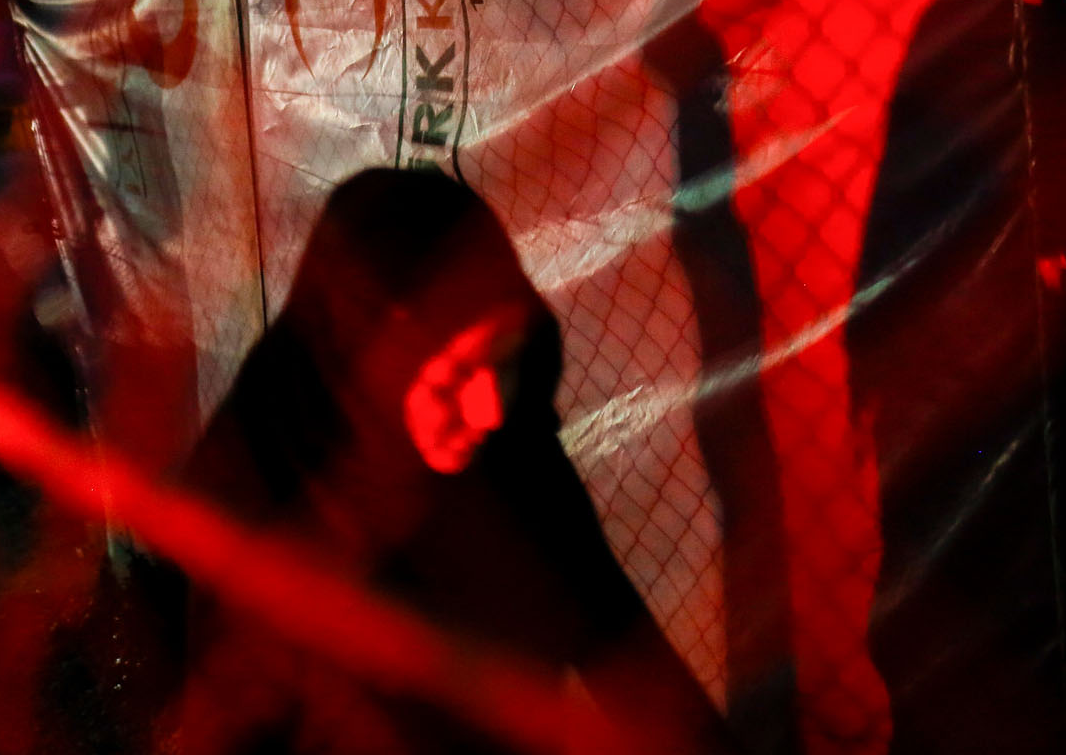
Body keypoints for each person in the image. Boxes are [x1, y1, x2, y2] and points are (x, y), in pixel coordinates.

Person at [171, 167, 735, 754]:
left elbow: (631, 667)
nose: (491, 408)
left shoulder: (509, 459)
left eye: (503, 360)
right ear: (369, 368)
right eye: (456, 378)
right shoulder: (255, 499)